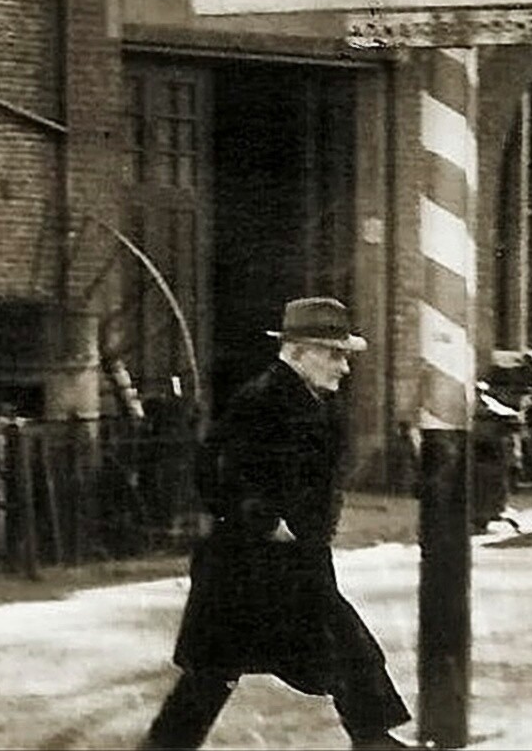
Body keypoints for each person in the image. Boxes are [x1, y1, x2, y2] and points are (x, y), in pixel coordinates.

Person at [142, 295, 409, 750]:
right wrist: (266, 522)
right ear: (298, 351)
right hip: (248, 565)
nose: (343, 367)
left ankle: (373, 738)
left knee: (343, 647)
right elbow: (215, 471)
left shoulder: (309, 402)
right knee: (215, 671)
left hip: (286, 563)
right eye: (334, 354)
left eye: (344, 355)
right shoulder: (263, 400)